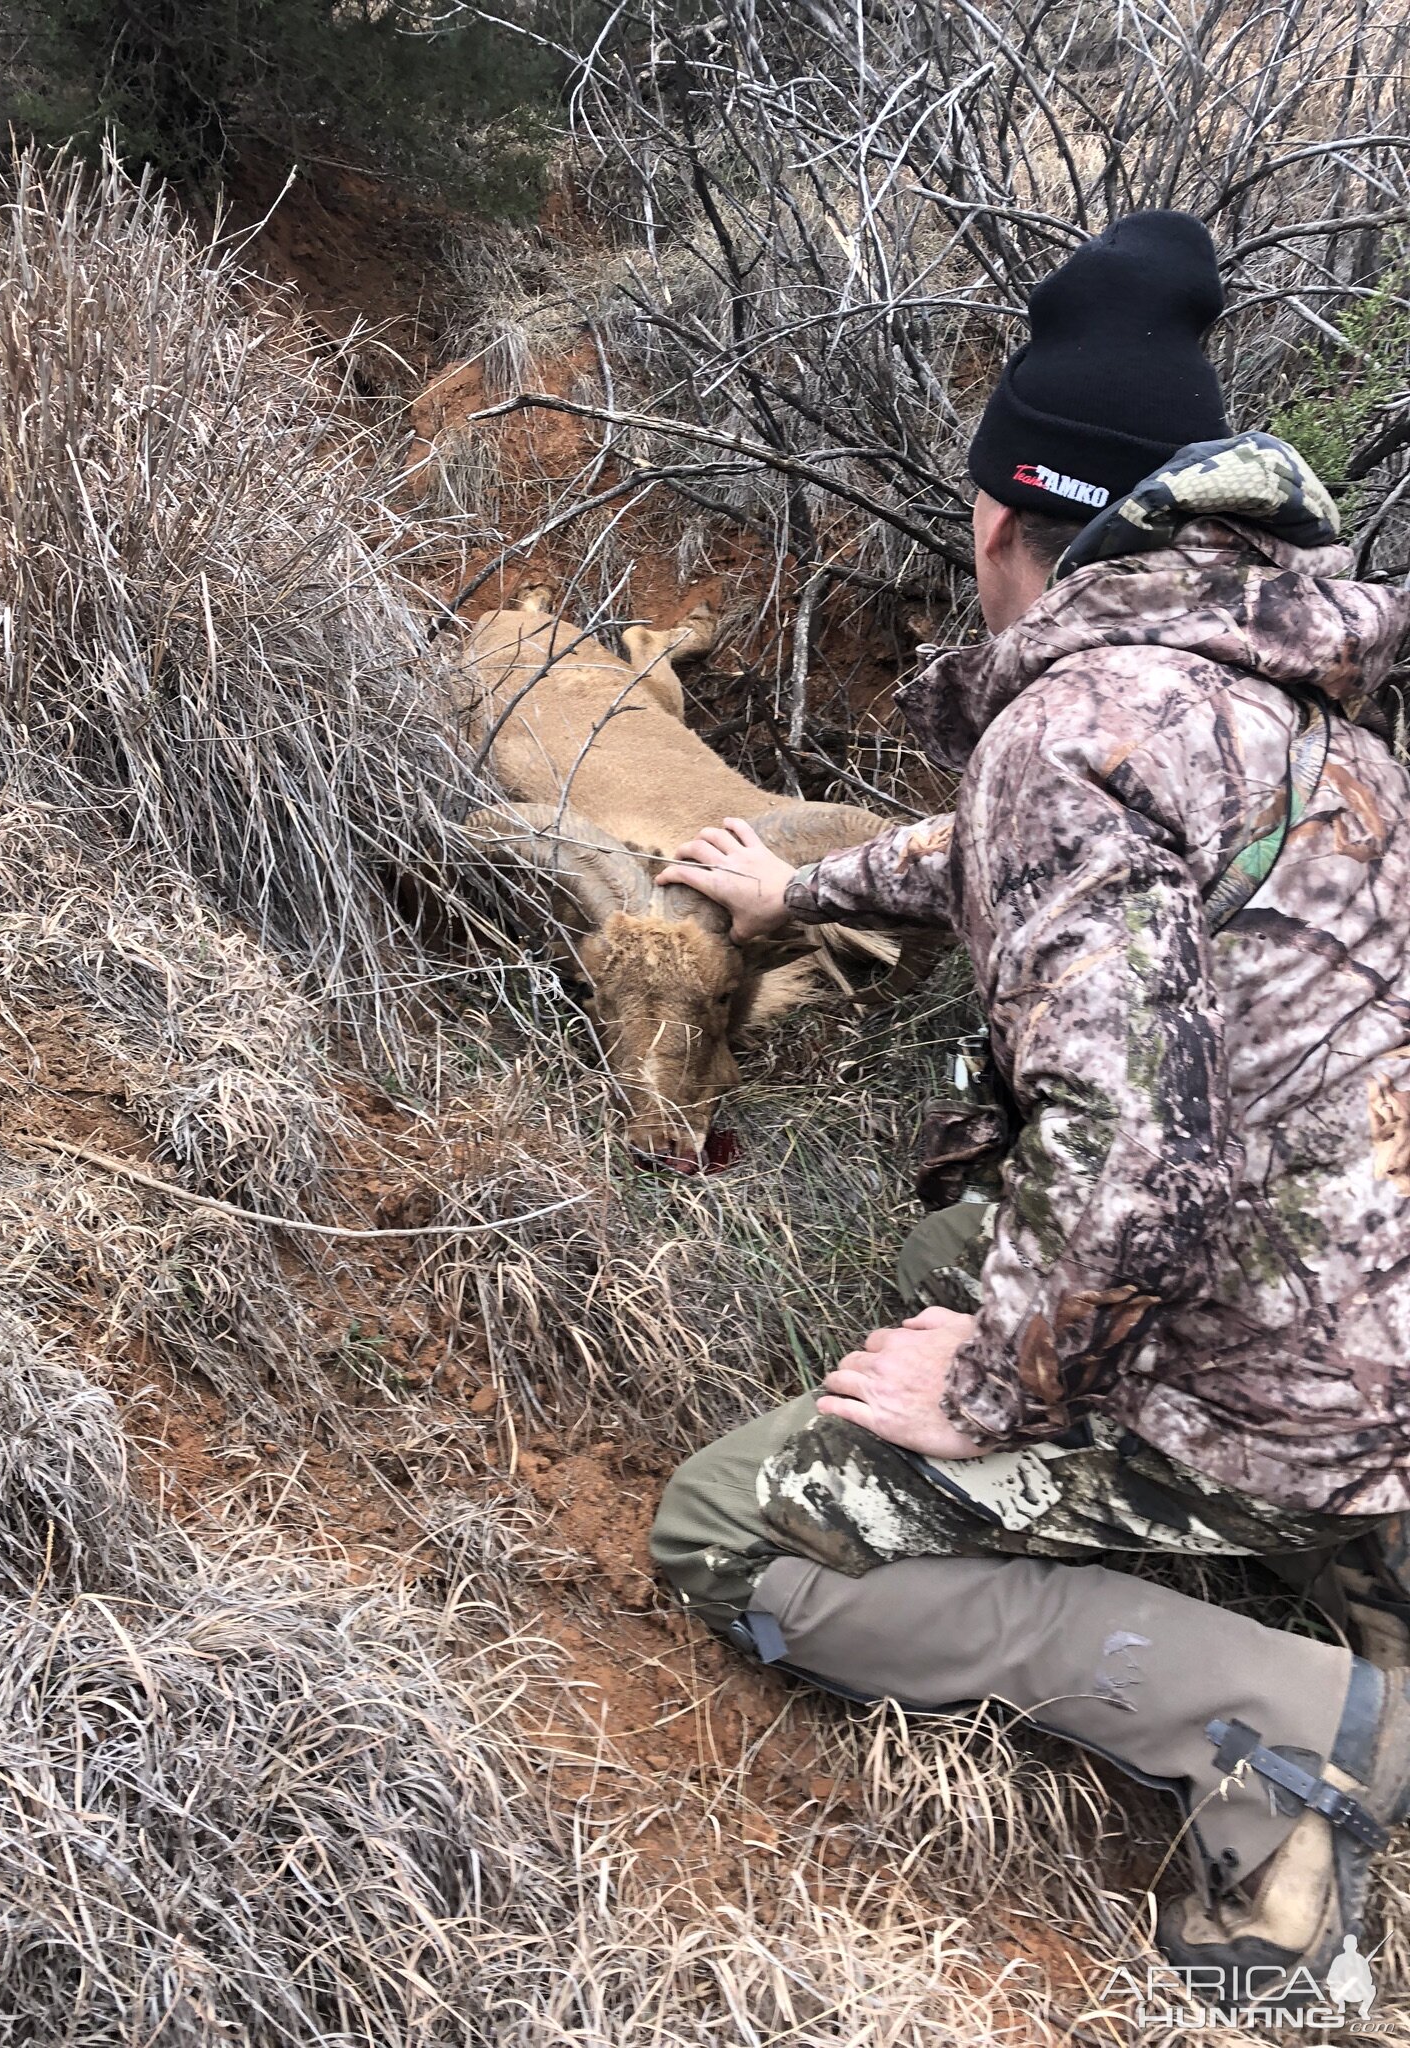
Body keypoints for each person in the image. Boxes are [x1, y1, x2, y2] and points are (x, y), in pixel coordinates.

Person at [652, 210, 1410, 2001]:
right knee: (954, 1237)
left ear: (1001, 519)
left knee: (736, 1534)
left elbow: (1137, 1160)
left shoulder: (1060, 735)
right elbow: (1100, 855)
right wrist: (810, 891)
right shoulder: (1317, 715)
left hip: (1277, 1398)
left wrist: (988, 1381)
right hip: (1382, 1347)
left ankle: (1319, 1722)